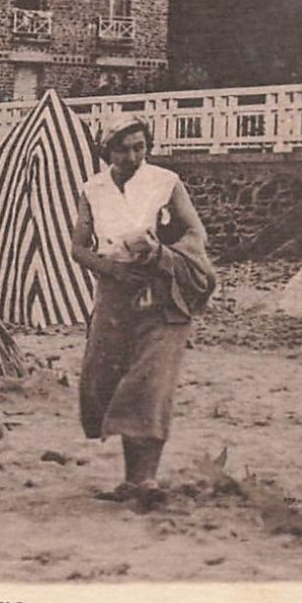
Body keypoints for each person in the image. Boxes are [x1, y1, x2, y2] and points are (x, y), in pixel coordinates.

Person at [71, 114, 216, 510]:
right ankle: (131, 478)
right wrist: (113, 269)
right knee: (108, 381)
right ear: (107, 152)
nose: (133, 156)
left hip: (163, 290)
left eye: (140, 147)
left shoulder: (165, 181)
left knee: (149, 384)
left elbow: (195, 232)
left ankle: (146, 479)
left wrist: (161, 256)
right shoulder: (93, 189)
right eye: (123, 148)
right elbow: (79, 247)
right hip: (115, 293)